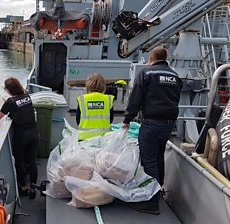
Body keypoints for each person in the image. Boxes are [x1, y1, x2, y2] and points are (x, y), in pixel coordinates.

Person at [122, 47, 182, 215]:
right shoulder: (175, 76)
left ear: (151, 59)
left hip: (152, 123)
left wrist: (127, 119)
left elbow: (136, 98)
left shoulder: (147, 73)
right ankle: (158, 192)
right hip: (168, 124)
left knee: (149, 162)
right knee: (158, 157)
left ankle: (151, 201)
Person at [0, 77, 39, 199]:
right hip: (34, 133)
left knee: (20, 161)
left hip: (21, 135)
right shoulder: (27, 96)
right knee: (32, 160)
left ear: (8, 89)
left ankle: (23, 187)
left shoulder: (10, 103)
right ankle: (33, 187)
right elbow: (18, 103)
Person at [76, 73, 114, 140]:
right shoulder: (107, 99)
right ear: (103, 85)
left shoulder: (83, 99)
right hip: (103, 138)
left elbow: (78, 120)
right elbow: (110, 119)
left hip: (84, 138)